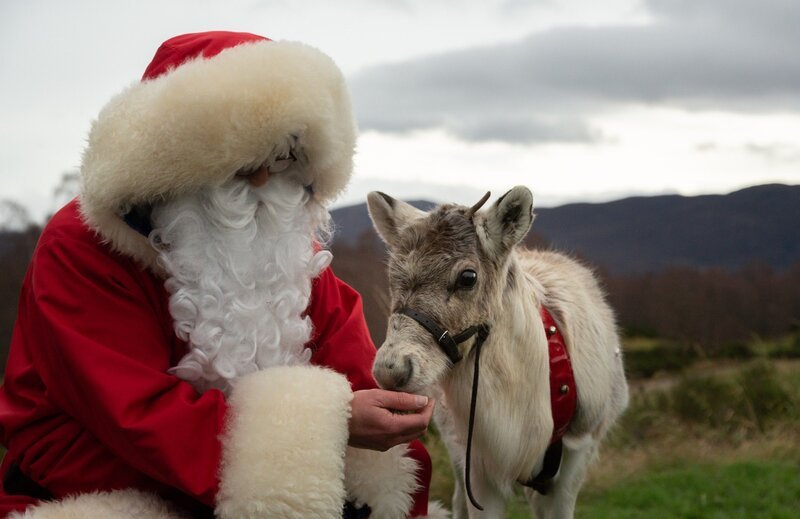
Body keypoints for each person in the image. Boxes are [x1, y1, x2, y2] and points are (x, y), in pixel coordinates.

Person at [0, 31, 447, 518]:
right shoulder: (81, 249)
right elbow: (138, 417)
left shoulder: (283, 243)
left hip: (253, 485)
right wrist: (331, 422)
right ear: (172, 157)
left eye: (282, 155)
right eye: (238, 158)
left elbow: (354, 369)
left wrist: (391, 436)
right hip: (98, 489)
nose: (260, 180)